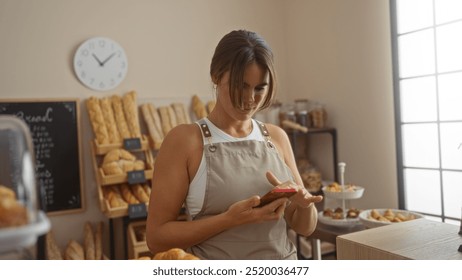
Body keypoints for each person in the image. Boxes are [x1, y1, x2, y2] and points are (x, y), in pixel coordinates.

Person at [146, 29, 323, 260]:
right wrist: (229, 220)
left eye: (260, 88)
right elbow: (156, 238)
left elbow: (305, 228)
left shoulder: (276, 137)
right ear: (216, 76)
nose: (250, 99)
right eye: (241, 85)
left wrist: (305, 205)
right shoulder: (184, 141)